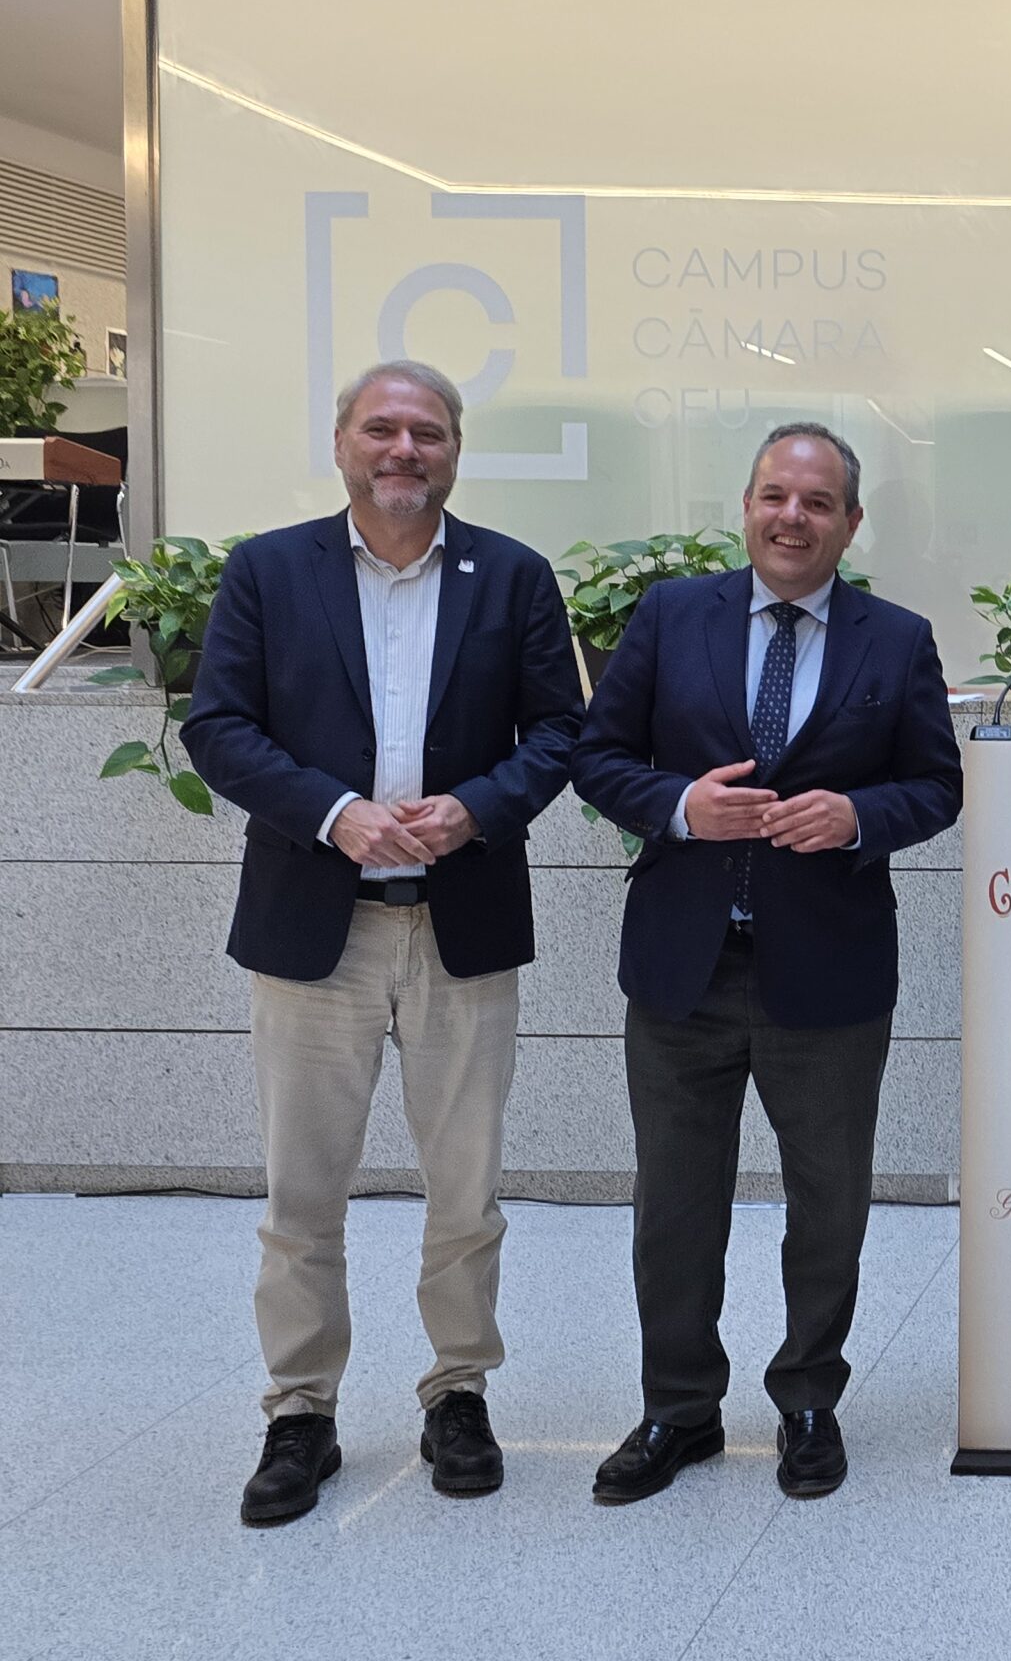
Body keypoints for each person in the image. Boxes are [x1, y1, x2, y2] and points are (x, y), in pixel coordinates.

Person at [181, 359, 583, 1526]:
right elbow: (219, 725)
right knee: (302, 1191)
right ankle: (300, 1413)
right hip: (319, 928)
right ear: (343, 441)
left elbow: (561, 731)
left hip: (460, 926)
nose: (404, 449)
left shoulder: (510, 574)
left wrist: (478, 808)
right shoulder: (268, 570)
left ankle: (458, 1392)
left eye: (428, 432)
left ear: (455, 450)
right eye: (382, 429)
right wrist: (332, 812)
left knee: (465, 1189)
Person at [571, 422, 962, 1505]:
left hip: (826, 975)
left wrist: (856, 816)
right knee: (675, 1206)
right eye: (774, 497)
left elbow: (936, 786)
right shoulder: (668, 616)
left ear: (850, 521)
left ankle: (805, 1401)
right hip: (682, 967)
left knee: (827, 1204)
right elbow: (597, 758)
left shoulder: (897, 639)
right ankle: (678, 1410)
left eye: (817, 502)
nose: (793, 518)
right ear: (745, 507)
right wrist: (682, 807)